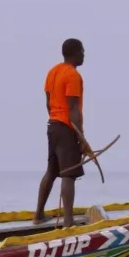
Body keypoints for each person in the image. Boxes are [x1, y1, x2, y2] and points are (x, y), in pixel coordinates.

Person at [33, 38, 87, 227]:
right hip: (66, 127)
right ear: (75, 52)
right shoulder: (72, 75)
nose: (84, 55)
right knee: (68, 174)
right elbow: (73, 109)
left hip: (53, 125)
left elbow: (48, 103)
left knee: (51, 171)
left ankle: (38, 215)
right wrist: (80, 137)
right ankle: (69, 222)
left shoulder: (52, 72)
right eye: (82, 51)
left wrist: (55, 120)